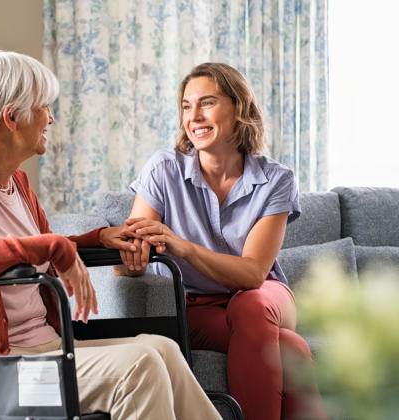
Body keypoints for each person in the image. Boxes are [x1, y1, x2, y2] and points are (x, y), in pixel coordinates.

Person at [0, 50, 221, 420]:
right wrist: (54, 244)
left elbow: (34, 253)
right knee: (140, 366)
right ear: (11, 117)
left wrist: (98, 238)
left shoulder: (18, 183)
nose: (51, 117)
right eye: (43, 107)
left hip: (46, 348)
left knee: (162, 348)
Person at [119, 63, 327, 420]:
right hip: (197, 305)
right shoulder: (163, 169)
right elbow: (130, 253)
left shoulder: (275, 180)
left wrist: (183, 246)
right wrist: (133, 254)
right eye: (187, 105)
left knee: (250, 304)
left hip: (266, 297)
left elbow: (252, 275)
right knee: (290, 346)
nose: (194, 116)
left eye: (207, 103)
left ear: (239, 108)